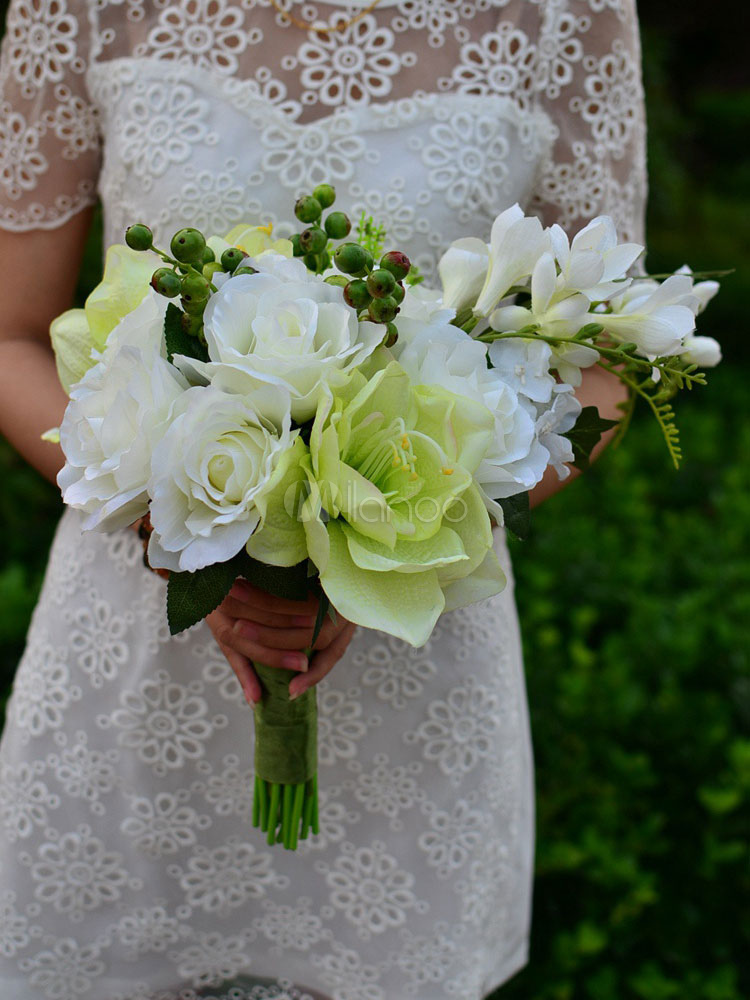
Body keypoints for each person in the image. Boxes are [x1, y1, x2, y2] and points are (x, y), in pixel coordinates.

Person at [0, 1, 645, 997]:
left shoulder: (570, 13)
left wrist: (414, 530)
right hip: (135, 648)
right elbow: (11, 333)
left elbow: (609, 359)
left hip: (420, 651)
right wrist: (180, 522)